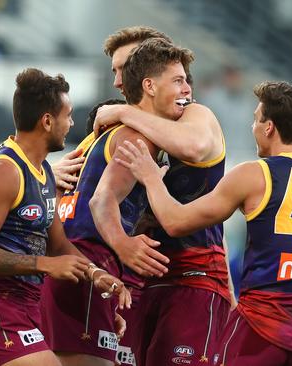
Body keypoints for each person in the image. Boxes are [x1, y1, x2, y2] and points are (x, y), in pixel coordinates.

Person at [116, 81, 292, 366]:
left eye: (256, 120)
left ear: (269, 127)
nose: (253, 128)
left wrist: (151, 178)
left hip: (258, 330)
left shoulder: (254, 174)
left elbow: (175, 221)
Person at [0, 68, 128, 366]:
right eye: (68, 115)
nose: (71, 124)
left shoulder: (45, 171)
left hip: (27, 304)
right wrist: (45, 265)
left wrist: (96, 274)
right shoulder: (2, 171)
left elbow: (59, 246)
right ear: (47, 121)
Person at [40, 37, 191, 366]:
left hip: (78, 261)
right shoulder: (137, 136)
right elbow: (101, 199)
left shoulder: (115, 130)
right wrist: (124, 244)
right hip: (88, 261)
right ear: (150, 86)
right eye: (178, 81)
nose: (186, 90)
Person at [97, 26, 233, 365]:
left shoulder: (194, 113)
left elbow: (196, 146)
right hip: (138, 279)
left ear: (148, 76)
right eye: (115, 70)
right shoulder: (121, 130)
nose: (118, 80)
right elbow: (98, 196)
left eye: (125, 67)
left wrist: (126, 111)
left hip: (193, 276)